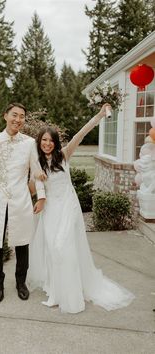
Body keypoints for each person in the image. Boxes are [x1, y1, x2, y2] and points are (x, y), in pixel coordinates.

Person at [28, 103, 135, 313]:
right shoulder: (35, 164)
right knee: (52, 249)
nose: (47, 144)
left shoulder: (64, 155)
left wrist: (99, 115)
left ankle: (72, 292)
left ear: (55, 142)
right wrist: (35, 176)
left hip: (67, 206)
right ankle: (57, 291)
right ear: (39, 142)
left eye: (51, 140)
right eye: (44, 140)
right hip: (50, 211)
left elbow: (82, 133)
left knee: (63, 247)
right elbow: (31, 190)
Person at [0, 103, 46, 303]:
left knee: (22, 242)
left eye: (22, 116)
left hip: (20, 199)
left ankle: (20, 282)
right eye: (14, 115)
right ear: (5, 116)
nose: (18, 119)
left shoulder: (30, 143)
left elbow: (37, 170)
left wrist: (40, 196)